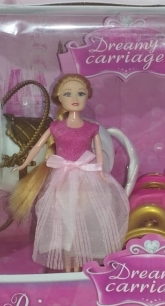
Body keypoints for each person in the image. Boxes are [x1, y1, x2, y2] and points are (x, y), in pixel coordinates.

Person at [10, 74, 129, 272]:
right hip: (62, 177)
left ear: (87, 96)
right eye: (68, 94)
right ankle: (67, 267)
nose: (75, 98)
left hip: (86, 176)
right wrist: (24, 164)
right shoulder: (55, 127)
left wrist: (100, 172)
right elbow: (38, 146)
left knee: (82, 219)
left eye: (80, 93)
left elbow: (99, 153)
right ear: (59, 98)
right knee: (64, 220)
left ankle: (79, 265)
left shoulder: (91, 128)